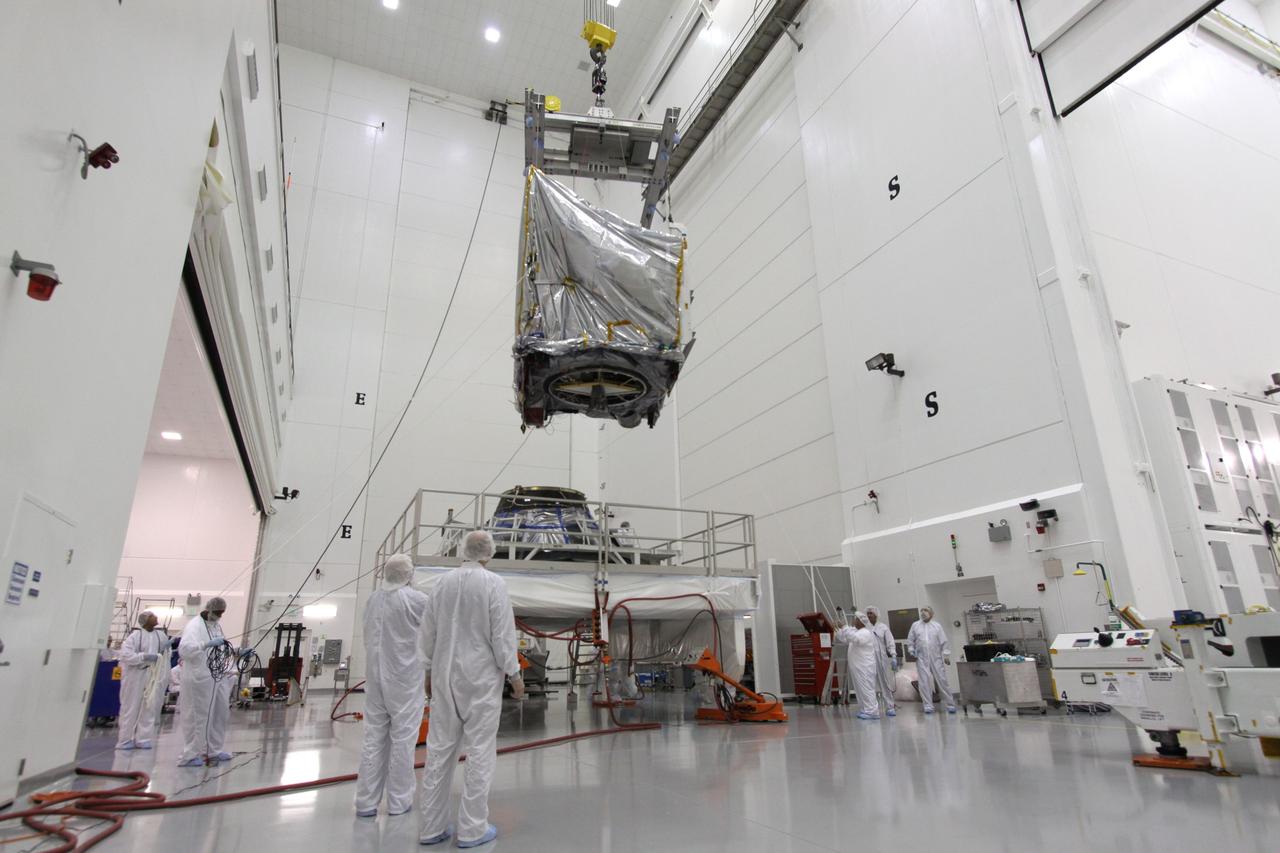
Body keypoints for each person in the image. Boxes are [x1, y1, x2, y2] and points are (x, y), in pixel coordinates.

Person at [418, 530, 524, 848]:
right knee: (479, 750)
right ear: (487, 553)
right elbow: (502, 634)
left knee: (439, 750)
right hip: (479, 677)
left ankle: (431, 827)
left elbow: (428, 631)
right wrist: (515, 674)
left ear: (463, 551)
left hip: (444, 675)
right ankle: (473, 829)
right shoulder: (493, 583)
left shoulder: (442, 583)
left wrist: (427, 670)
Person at [355, 553, 430, 818]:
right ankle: (399, 801)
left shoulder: (373, 600)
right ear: (409, 575)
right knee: (403, 741)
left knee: (373, 740)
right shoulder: (417, 599)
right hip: (405, 681)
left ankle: (365, 802)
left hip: (375, 680)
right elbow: (438, 628)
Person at [177, 596, 245, 766]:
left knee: (219, 714)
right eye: (218, 612)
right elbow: (184, 650)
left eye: (222, 613)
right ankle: (190, 754)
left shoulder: (216, 625)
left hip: (216, 676)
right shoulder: (194, 626)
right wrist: (205, 645)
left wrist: (239, 651)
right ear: (209, 610)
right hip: (198, 677)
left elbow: (221, 647)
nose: (220, 616)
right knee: (198, 716)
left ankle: (213, 750)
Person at [116, 610, 172, 750]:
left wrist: (167, 649)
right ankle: (125, 739)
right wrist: (144, 657)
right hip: (136, 675)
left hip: (153, 676)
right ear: (145, 620)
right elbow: (126, 656)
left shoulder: (161, 636)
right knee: (131, 706)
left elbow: (166, 656)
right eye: (153, 616)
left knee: (149, 707)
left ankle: (144, 738)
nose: (156, 618)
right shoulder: (135, 636)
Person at [908, 606, 955, 714]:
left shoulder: (937, 626)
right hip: (921, 658)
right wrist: (911, 650)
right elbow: (910, 640)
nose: (923, 613)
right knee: (924, 682)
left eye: (926, 611)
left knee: (942, 680)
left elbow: (944, 641)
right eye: (922, 611)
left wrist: (946, 655)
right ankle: (928, 706)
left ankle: (950, 704)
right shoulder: (915, 625)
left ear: (932, 614)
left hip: (936, 658)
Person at [835, 611, 880, 719]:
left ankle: (872, 711)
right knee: (860, 689)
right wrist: (838, 630)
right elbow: (846, 639)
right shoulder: (856, 631)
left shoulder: (865, 632)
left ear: (861, 621)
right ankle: (865, 709)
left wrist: (845, 627)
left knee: (866, 688)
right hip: (858, 666)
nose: (853, 621)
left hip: (865, 667)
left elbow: (855, 639)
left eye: (855, 619)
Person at [865, 606, 898, 717]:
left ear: (876, 615)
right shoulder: (865, 628)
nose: (869, 615)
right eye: (868, 613)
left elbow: (890, 641)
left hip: (881, 659)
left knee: (885, 682)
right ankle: (871, 708)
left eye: (871, 613)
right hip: (869, 659)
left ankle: (890, 706)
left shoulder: (883, 627)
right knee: (869, 683)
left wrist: (893, 656)